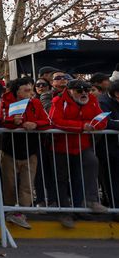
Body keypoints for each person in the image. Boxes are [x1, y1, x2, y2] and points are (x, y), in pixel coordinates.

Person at [50, 79, 110, 228]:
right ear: (70, 91)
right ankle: (64, 212)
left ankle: (86, 204)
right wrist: (81, 126)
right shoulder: (58, 101)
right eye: (79, 91)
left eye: (87, 90)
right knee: (61, 179)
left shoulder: (92, 100)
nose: (84, 93)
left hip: (82, 145)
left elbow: (102, 119)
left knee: (88, 166)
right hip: (61, 147)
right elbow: (55, 121)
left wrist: (95, 125)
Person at [0, 77, 50, 230]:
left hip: (31, 149)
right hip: (9, 149)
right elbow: (1, 120)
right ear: (17, 91)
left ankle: (22, 213)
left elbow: (47, 121)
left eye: (31, 90)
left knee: (27, 183)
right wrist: (12, 122)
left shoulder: (36, 103)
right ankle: (8, 210)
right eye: (26, 90)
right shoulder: (6, 101)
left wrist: (35, 124)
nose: (31, 93)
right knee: (9, 183)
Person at [98, 80, 119, 218]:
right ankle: (116, 210)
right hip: (109, 150)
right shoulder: (103, 102)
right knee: (113, 181)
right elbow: (105, 122)